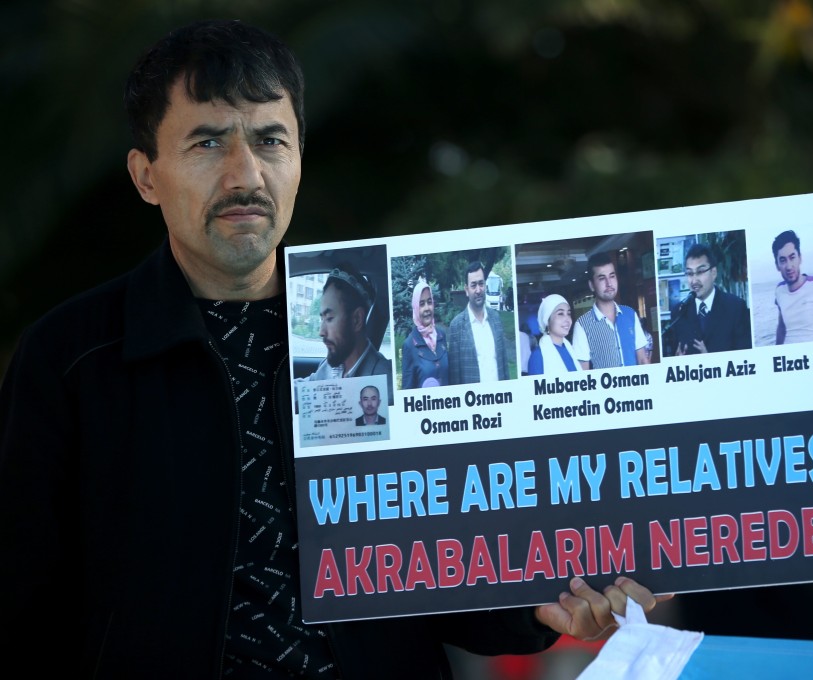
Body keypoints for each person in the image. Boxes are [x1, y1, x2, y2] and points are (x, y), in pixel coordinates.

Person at [0, 19, 668, 678]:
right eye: (207, 143)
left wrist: (544, 606)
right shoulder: (72, 359)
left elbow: (447, 585)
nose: (244, 174)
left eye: (270, 140)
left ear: (298, 158)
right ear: (146, 176)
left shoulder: (383, 347)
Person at [303, 262, 394, 403]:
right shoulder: (327, 366)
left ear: (357, 320)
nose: (321, 332)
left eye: (329, 318)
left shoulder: (387, 382)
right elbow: (302, 389)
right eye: (322, 319)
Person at [667, 242, 751, 355]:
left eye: (700, 272)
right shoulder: (679, 312)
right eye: (690, 273)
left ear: (714, 273)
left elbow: (746, 359)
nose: (694, 280)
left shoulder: (736, 307)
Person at [572, 251, 651, 369]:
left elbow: (642, 360)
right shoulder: (582, 325)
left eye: (612, 276)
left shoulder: (630, 314)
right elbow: (583, 374)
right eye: (602, 278)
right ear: (592, 285)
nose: (609, 283)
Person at [447, 261, 510, 384]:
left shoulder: (496, 319)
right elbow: (455, 377)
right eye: (473, 285)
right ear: (466, 290)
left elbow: (504, 365)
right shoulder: (457, 326)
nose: (478, 290)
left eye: (481, 284)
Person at [401, 277, 448, 389]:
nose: (427, 308)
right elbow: (407, 392)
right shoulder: (409, 345)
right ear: (416, 308)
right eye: (421, 304)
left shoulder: (441, 336)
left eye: (429, 302)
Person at [527, 294, 582, 375]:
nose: (567, 319)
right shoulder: (538, 356)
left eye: (569, 313)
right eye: (560, 314)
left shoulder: (570, 349)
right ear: (547, 320)